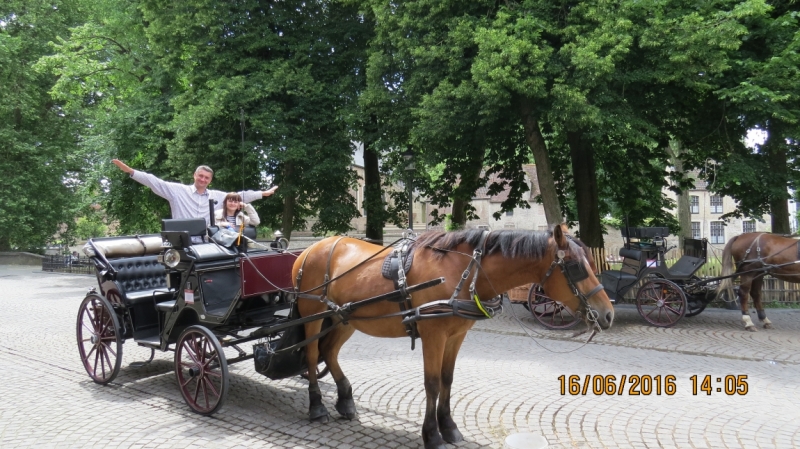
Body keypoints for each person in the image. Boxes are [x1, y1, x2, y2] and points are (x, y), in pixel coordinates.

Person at [111, 159, 277, 226]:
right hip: (182, 242)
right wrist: (131, 171)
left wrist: (263, 193)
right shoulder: (177, 191)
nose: (203, 180)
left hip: (207, 241)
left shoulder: (216, 196)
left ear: (210, 181)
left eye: (207, 178)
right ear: (195, 175)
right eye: (201, 176)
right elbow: (154, 182)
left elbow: (240, 196)